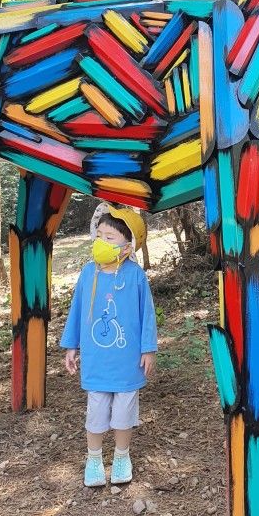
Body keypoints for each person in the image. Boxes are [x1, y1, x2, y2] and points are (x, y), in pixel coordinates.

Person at [61, 205, 158, 488]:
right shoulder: (87, 274)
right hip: (96, 361)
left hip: (128, 362)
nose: (102, 242)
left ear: (128, 246)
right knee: (96, 411)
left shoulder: (136, 276)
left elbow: (147, 315)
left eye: (111, 237)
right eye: (99, 235)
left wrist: (148, 348)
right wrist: (71, 346)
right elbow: (77, 311)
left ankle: (121, 457)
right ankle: (93, 459)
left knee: (124, 411)